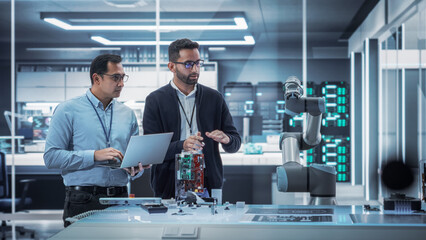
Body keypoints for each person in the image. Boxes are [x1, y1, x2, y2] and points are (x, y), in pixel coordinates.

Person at [44, 54, 149, 227]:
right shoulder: (68, 110)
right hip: (83, 200)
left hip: (120, 199)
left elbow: (132, 159)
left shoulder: (127, 114)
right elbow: (51, 157)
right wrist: (94, 155)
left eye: (123, 78)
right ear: (97, 78)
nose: (121, 84)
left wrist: (136, 169)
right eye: (115, 77)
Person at [143, 38, 241, 199]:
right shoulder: (155, 100)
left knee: (209, 224)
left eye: (198, 63)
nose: (195, 69)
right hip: (168, 184)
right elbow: (151, 150)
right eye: (188, 64)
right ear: (172, 66)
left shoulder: (214, 98)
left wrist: (227, 139)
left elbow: (235, 144)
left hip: (209, 183)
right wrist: (182, 145)